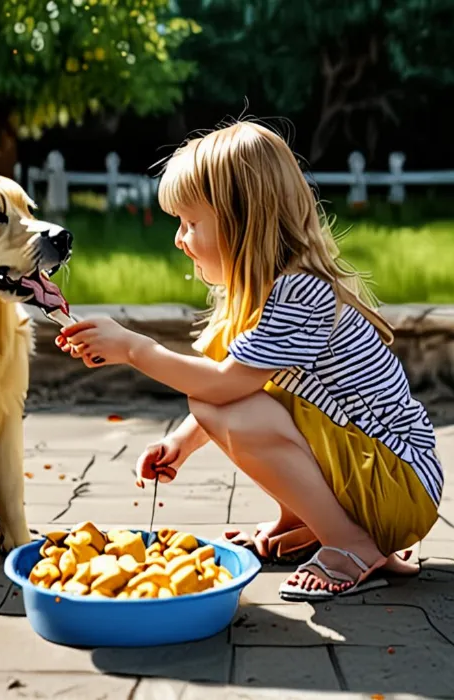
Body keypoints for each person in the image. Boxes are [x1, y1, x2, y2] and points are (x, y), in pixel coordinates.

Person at [55, 121, 442, 601]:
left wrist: (135, 349)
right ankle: (305, 521)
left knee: (220, 403)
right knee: (224, 403)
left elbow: (223, 387)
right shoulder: (263, 296)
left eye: (191, 224)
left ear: (242, 222)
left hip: (397, 481)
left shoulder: (300, 291)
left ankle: (348, 542)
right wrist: (180, 443)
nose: (179, 239)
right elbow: (240, 385)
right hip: (376, 474)